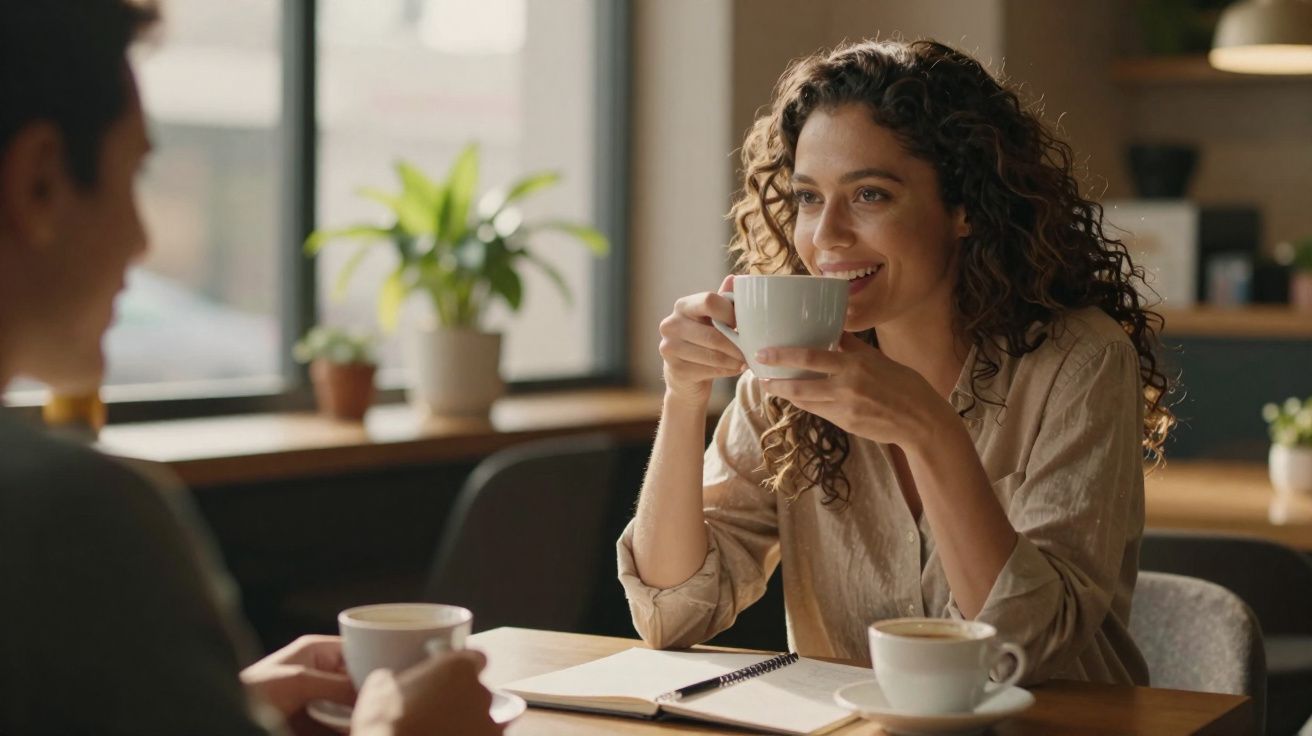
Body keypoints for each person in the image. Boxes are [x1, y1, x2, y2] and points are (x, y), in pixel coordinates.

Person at [0, 1, 501, 734]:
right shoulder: (71, 515)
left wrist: (220, 706)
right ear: (40, 182)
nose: (142, 242)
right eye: (135, 175)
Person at [619, 39, 1173, 687]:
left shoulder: (1078, 361)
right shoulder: (784, 372)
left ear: (964, 208)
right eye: (806, 197)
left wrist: (927, 430)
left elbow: (1022, 652)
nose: (825, 235)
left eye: (870, 196)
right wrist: (683, 396)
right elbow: (673, 614)